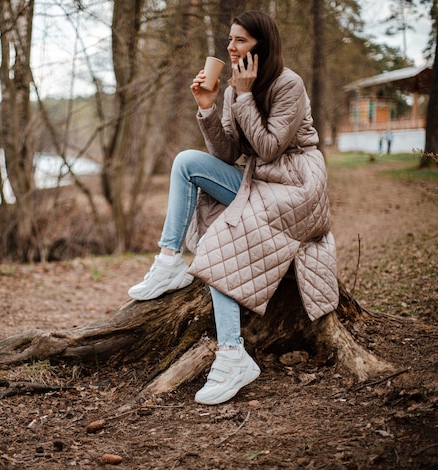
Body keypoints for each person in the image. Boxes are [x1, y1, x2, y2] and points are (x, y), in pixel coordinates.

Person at [128, 10, 339, 405]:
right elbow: (227, 154)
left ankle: (232, 354)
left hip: (296, 186)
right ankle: (170, 259)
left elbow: (270, 147)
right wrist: (208, 106)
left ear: (262, 45)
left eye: (240, 40)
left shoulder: (288, 84)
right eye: (230, 40)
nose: (230, 47)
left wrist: (243, 96)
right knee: (186, 163)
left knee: (223, 238)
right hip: (256, 181)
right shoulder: (233, 91)